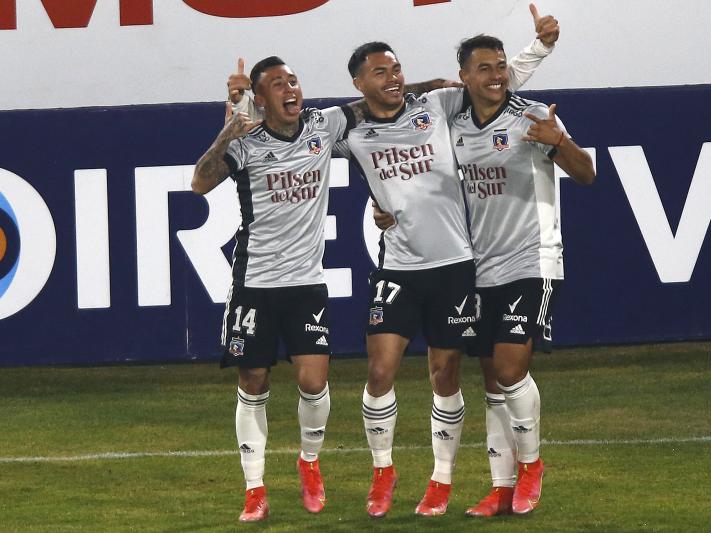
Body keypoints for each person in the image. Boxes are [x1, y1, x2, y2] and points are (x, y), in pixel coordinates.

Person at [338, 4, 560, 518]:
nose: (394, 78)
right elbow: (292, 138)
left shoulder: (436, 104)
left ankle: (442, 480)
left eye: (396, 69)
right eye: (381, 73)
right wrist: (245, 111)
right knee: (379, 370)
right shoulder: (347, 129)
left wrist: (540, 48)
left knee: (447, 373)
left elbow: (493, 82)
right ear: (358, 82)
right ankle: (383, 472)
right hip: (397, 266)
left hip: (459, 265)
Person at [192, 56, 361, 522]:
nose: (291, 89)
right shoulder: (245, 143)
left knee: (314, 381)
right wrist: (231, 124)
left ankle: (309, 464)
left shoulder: (322, 127)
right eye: (277, 85)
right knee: (254, 380)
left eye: (294, 81)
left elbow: (376, 109)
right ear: (260, 98)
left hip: (306, 282)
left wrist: (439, 86)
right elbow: (200, 182)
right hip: (255, 284)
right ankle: (254, 488)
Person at [451, 35, 595, 516]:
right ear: (465, 77)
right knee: (492, 380)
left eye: (500, 67)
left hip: (532, 260)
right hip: (480, 266)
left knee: (512, 369)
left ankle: (531, 464)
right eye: (485, 68)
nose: (496, 76)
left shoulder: (534, 117)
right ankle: (500, 486)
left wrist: (559, 142)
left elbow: (586, 173)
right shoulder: (455, 126)